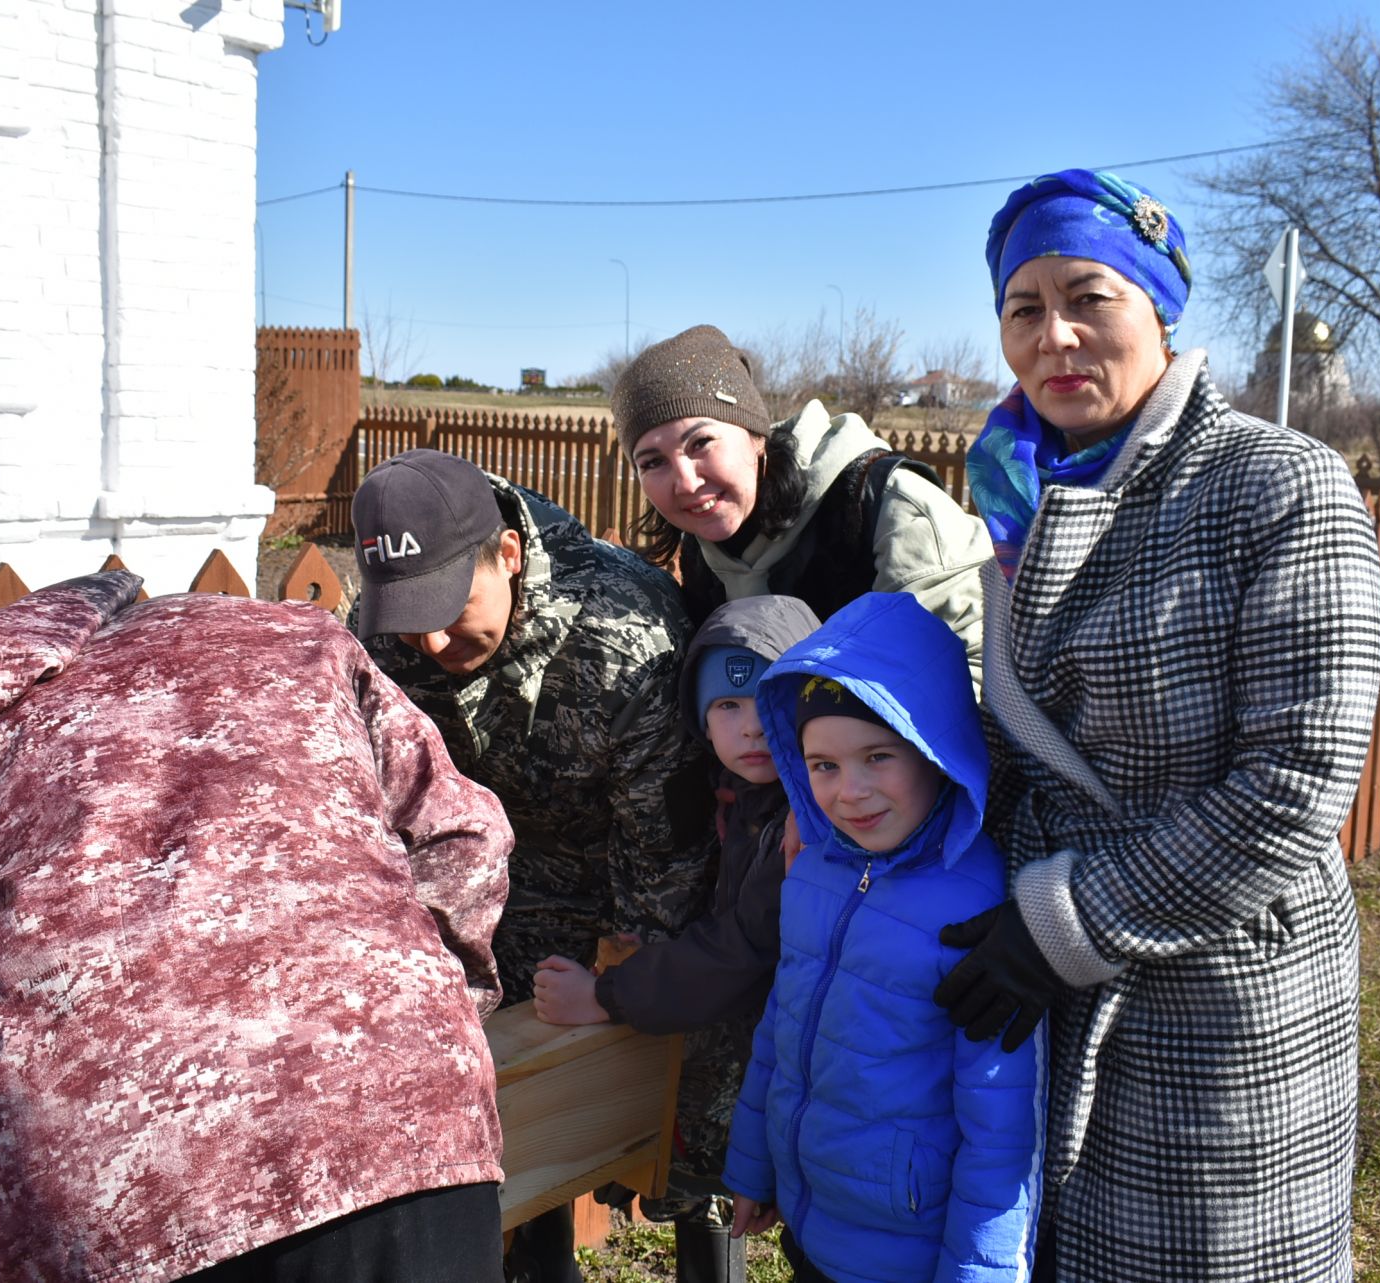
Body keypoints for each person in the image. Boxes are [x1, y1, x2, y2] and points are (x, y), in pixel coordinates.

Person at [932, 169, 1380, 1282]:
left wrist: (1063, 920)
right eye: (1023, 309)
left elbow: (1298, 782)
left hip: (1216, 984)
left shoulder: (1278, 484)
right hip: (1038, 978)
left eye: (1091, 297)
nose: (1057, 337)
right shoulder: (1011, 493)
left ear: (1159, 307)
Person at [0, 571, 514, 1283]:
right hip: (401, 1127)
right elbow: (465, 838)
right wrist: (420, 1006)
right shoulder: (298, 640)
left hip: (99, 1188)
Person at [350, 448, 716, 1282]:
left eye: (449, 607)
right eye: (407, 616)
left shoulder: (629, 636)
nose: (430, 640)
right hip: (462, 900)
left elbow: (664, 862)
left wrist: (624, 999)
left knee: (680, 1130)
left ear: (507, 556)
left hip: (607, 905)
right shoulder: (381, 631)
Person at [722, 591, 1045, 1283]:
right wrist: (754, 1165)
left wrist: (979, 1272)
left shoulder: (979, 905)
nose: (849, 792)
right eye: (824, 764)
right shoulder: (813, 869)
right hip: (814, 1221)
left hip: (909, 1247)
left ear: (939, 749)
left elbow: (1001, 1128)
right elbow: (781, 1024)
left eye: (879, 756)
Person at [532, 595, 822, 1283]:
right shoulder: (744, 800)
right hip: (766, 1058)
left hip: (794, 1065)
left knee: (748, 1200)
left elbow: (738, 952)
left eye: (769, 699)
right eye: (727, 706)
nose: (751, 727)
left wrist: (606, 994)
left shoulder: (801, 824)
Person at [612, 324, 991, 665]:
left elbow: (968, 674)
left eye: (701, 443)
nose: (687, 482)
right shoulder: (704, 544)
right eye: (652, 462)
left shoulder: (885, 507)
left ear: (756, 436)